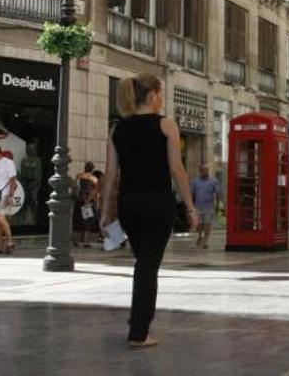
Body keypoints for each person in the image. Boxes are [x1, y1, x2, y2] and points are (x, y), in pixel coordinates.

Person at [99, 73, 197, 349]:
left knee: (143, 262)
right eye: (161, 94)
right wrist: (190, 207)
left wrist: (106, 212)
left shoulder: (117, 130)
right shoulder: (166, 125)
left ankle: (137, 322)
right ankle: (139, 332)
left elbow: (110, 174)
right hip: (157, 204)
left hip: (129, 205)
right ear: (153, 94)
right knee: (147, 267)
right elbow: (177, 170)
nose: (162, 99)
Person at [190, 164, 222, 249]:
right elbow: (191, 194)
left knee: (207, 224)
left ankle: (206, 241)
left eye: (207, 170)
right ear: (200, 171)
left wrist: (218, 205)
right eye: (204, 170)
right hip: (198, 206)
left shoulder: (213, 181)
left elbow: (218, 193)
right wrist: (190, 206)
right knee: (199, 225)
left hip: (209, 206)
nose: (206, 172)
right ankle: (200, 236)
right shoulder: (195, 181)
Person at [74, 162, 99, 247]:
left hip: (79, 201)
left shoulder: (78, 176)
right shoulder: (93, 178)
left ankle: (79, 239)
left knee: (80, 219)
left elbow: (75, 187)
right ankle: (85, 240)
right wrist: (89, 200)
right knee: (88, 221)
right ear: (92, 169)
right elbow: (95, 191)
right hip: (88, 202)